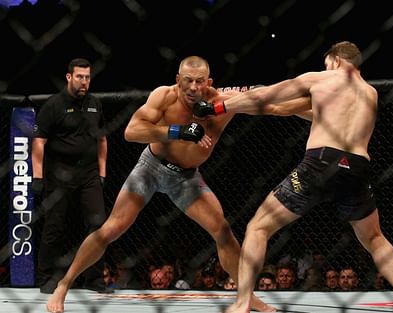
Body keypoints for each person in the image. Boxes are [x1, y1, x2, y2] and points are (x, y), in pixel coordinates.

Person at [45, 55, 308, 313]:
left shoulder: (222, 103)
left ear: (209, 81)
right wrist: (176, 131)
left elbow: (274, 105)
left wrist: (317, 109)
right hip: (150, 167)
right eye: (188, 81)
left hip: (185, 177)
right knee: (112, 228)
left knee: (223, 230)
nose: (194, 87)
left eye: (200, 81)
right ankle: (63, 285)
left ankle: (247, 297)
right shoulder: (164, 96)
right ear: (178, 80)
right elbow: (131, 132)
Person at [193, 41, 393, 313]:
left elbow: (269, 98)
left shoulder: (321, 78)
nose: (325, 67)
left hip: (320, 163)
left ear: (336, 60)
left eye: (327, 63)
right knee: (375, 238)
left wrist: (217, 108)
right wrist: (248, 100)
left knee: (258, 227)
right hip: (357, 168)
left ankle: (244, 302)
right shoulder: (370, 93)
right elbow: (286, 109)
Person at [32, 58, 108, 294]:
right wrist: (37, 177)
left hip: (89, 174)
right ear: (69, 77)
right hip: (59, 174)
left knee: (99, 225)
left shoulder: (95, 103)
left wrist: (102, 172)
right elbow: (39, 142)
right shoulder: (54, 105)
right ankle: (46, 277)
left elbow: (102, 140)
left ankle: (94, 279)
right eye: (80, 77)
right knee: (54, 226)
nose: (84, 81)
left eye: (87, 77)